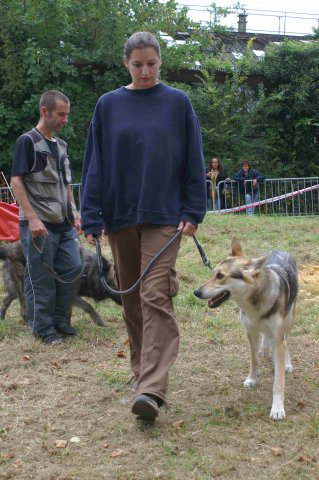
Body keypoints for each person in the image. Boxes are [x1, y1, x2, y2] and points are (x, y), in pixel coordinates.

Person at [81, 32, 207, 421]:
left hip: (165, 216)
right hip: (119, 217)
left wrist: (193, 209)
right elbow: (94, 162)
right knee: (131, 300)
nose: (146, 71)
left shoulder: (177, 103)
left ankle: (152, 390)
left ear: (160, 62)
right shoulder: (108, 105)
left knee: (155, 296)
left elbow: (193, 157)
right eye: (138, 65)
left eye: (151, 63)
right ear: (126, 64)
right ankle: (142, 378)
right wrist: (91, 213)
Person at [10, 90, 83, 345]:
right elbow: (16, 181)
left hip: (63, 224)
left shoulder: (61, 146)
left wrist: (74, 214)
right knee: (41, 277)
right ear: (44, 111)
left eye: (67, 115)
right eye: (61, 114)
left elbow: (65, 185)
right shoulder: (27, 142)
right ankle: (43, 328)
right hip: (38, 223)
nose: (65, 120)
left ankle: (62, 321)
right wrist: (32, 218)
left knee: (73, 267)